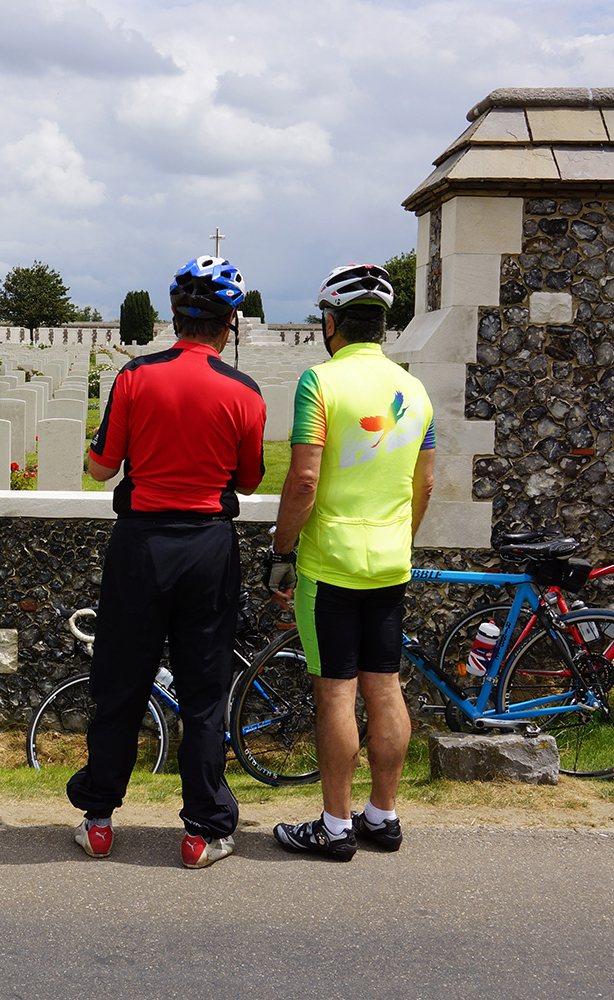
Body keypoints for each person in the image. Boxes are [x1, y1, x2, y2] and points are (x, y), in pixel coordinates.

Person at [67, 255, 265, 869]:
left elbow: (101, 468)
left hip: (141, 545)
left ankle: (99, 818)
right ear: (228, 323)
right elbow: (251, 479)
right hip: (207, 543)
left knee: (120, 682)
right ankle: (203, 831)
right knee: (204, 691)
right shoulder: (245, 391)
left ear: (174, 315)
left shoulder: (134, 377)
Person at [265, 263, 435, 861]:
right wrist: (399, 538)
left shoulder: (320, 382)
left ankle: (334, 826)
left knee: (335, 694)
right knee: (385, 687)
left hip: (329, 561)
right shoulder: (415, 391)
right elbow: (426, 483)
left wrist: (281, 552)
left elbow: (304, 481)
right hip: (390, 562)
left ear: (330, 322)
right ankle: (383, 815)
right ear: (382, 326)